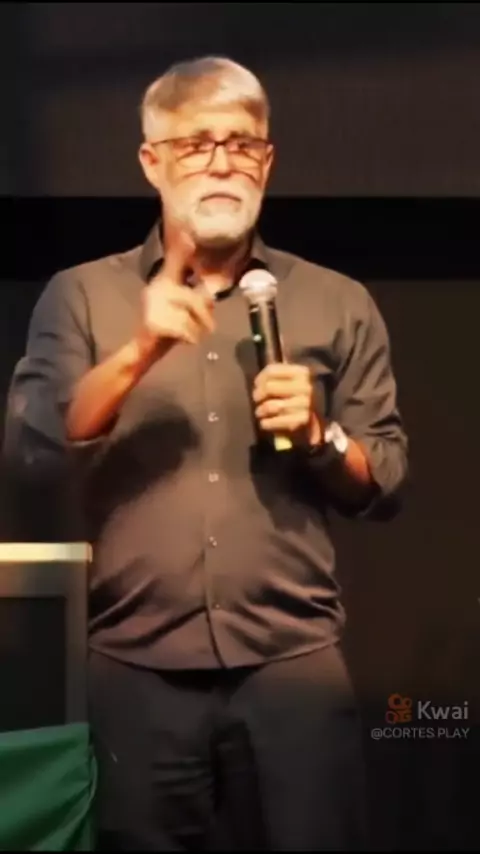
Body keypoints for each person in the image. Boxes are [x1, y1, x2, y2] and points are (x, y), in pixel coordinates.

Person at [4, 56, 408, 851]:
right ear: (152, 161)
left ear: (268, 161)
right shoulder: (81, 295)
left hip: (292, 664)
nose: (221, 162)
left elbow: (386, 480)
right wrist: (138, 351)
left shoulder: (337, 300)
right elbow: (33, 450)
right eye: (195, 144)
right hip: (136, 669)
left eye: (241, 143)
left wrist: (321, 435)